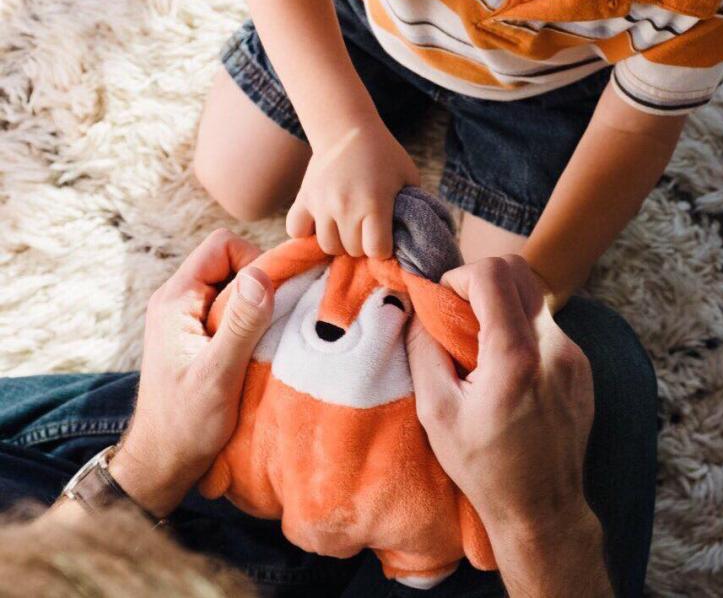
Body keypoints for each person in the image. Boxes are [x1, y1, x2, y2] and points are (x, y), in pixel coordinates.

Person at [193, 0, 723, 311]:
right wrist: (342, 133)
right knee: (235, 180)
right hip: (366, 15)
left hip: (543, 93)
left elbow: (637, 130)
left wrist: (544, 279)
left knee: (490, 300)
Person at [0, 229, 657, 596]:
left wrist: (147, 465)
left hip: (92, 520)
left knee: (541, 372)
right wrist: (541, 523)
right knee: (592, 362)